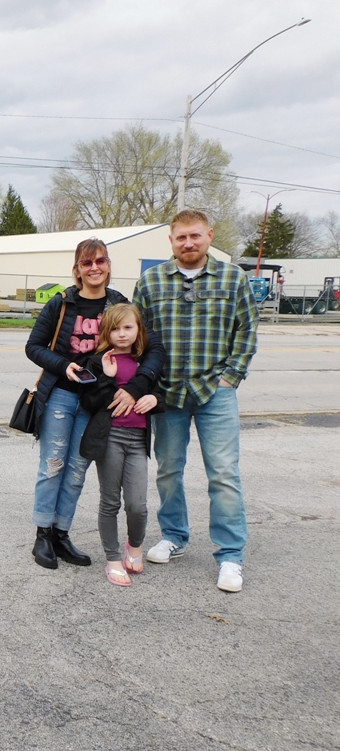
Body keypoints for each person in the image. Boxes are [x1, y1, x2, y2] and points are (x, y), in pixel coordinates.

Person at [134, 209, 258, 593]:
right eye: (181, 237)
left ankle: (230, 555)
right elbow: (138, 337)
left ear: (209, 236)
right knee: (169, 470)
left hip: (215, 392)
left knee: (223, 474)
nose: (188, 243)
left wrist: (230, 377)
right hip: (167, 393)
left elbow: (247, 331)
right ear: (171, 240)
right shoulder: (151, 281)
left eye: (195, 236)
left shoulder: (233, 279)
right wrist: (146, 384)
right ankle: (174, 536)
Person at [25, 238, 164, 570]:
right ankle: (43, 535)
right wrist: (63, 365)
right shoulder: (61, 303)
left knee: (77, 470)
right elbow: (34, 346)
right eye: (86, 263)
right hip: (61, 394)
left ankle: (61, 534)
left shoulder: (120, 304)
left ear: (108, 265)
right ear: (77, 269)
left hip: (98, 401)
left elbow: (153, 347)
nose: (94, 268)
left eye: (100, 261)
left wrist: (139, 387)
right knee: (53, 465)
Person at [78, 304, 164, 587]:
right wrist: (107, 376)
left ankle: (134, 546)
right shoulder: (98, 361)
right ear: (106, 332)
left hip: (138, 440)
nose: (122, 334)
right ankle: (113, 558)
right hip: (110, 438)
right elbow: (90, 402)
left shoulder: (145, 363)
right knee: (110, 501)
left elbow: (159, 393)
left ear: (139, 330)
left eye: (128, 327)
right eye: (115, 328)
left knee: (137, 505)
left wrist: (155, 399)